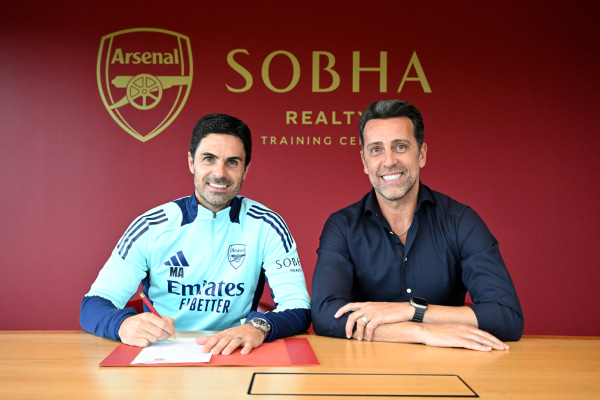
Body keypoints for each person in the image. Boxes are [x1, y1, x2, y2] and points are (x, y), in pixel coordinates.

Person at [81, 113, 311, 355]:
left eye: (232, 162)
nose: (219, 173)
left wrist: (258, 327)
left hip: (233, 354)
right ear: (191, 162)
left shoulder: (267, 226)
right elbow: (93, 304)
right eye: (208, 159)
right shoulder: (151, 226)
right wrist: (122, 324)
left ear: (245, 169)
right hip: (160, 356)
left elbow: (298, 306)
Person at [310, 100, 523, 352]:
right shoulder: (342, 226)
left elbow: (506, 316)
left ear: (421, 155)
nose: (389, 161)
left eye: (400, 147)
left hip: (448, 369)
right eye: (376, 150)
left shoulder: (460, 221)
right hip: (364, 368)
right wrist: (420, 331)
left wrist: (410, 311)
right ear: (365, 161)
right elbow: (325, 315)